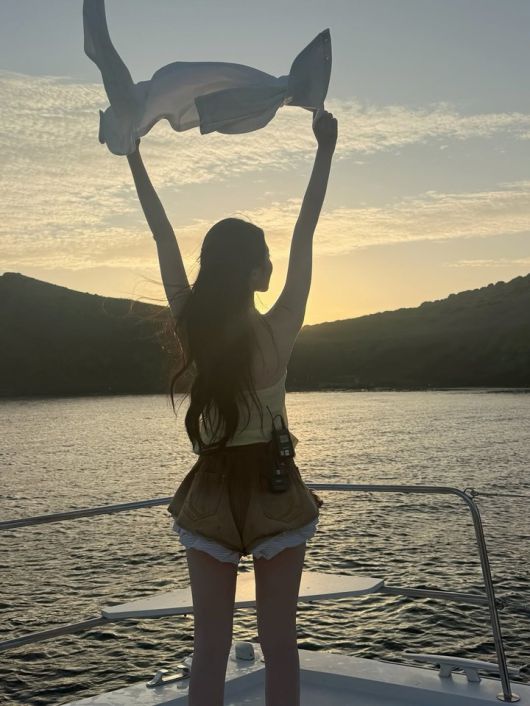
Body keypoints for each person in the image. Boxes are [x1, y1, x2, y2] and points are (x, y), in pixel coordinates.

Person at [126, 109, 337, 706]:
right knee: (280, 644)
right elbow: (307, 230)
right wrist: (324, 151)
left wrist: (134, 156)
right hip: (274, 487)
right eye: (265, 257)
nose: (273, 264)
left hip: (211, 491)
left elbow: (163, 237)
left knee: (210, 646)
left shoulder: (194, 328)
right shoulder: (281, 327)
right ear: (252, 271)